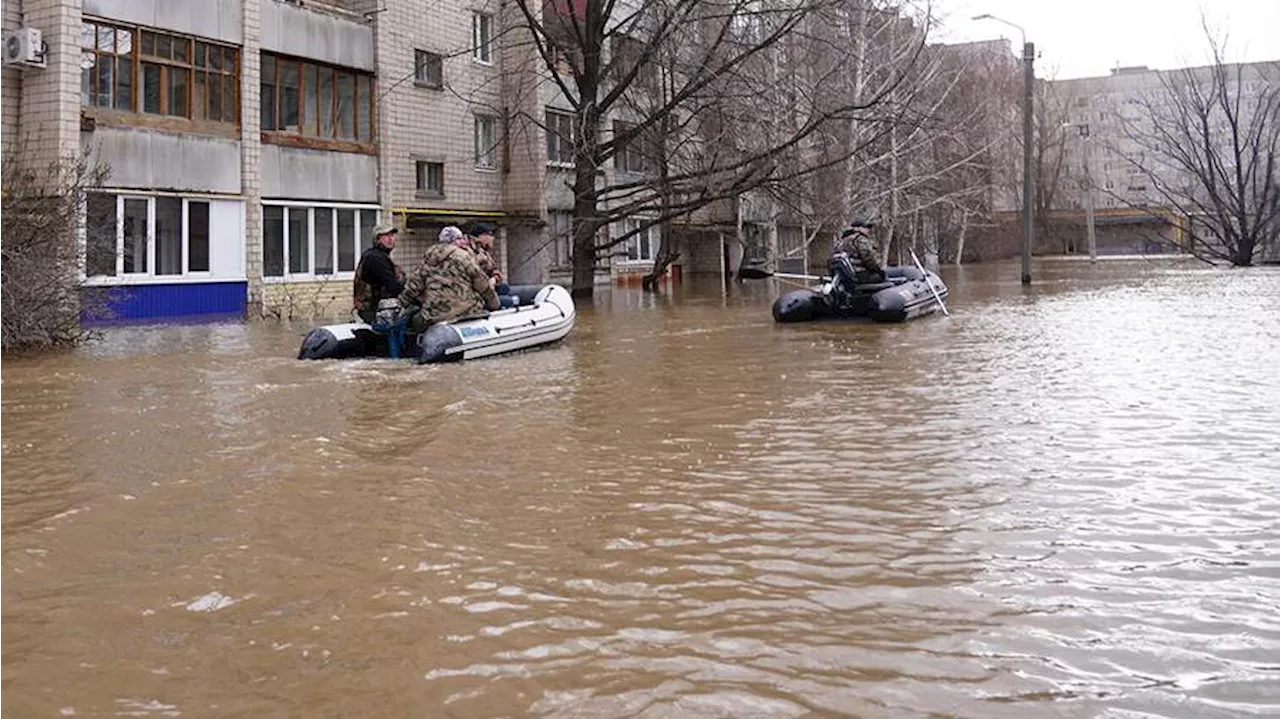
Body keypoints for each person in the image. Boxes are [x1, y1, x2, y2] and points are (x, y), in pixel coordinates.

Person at [397, 231, 500, 333]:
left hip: (434, 315)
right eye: (460, 239)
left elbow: (413, 286)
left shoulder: (429, 257)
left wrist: (400, 304)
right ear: (456, 241)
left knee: (415, 321)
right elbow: (483, 285)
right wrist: (494, 305)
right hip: (465, 313)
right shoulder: (464, 257)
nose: (463, 242)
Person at [352, 223, 405, 324]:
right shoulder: (375, 258)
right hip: (374, 311)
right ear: (377, 239)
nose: (391, 239)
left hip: (379, 308)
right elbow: (393, 286)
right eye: (386, 236)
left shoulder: (379, 256)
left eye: (392, 236)